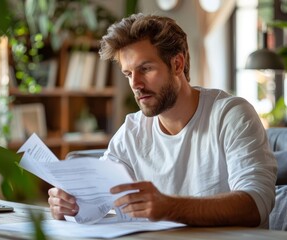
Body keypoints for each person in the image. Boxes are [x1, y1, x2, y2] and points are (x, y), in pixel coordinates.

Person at [48, 13, 277, 228]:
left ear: (177, 64)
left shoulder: (231, 115)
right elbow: (97, 201)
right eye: (128, 74)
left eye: (145, 69)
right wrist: (70, 205)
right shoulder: (132, 131)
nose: (135, 84)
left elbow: (255, 205)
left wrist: (171, 207)